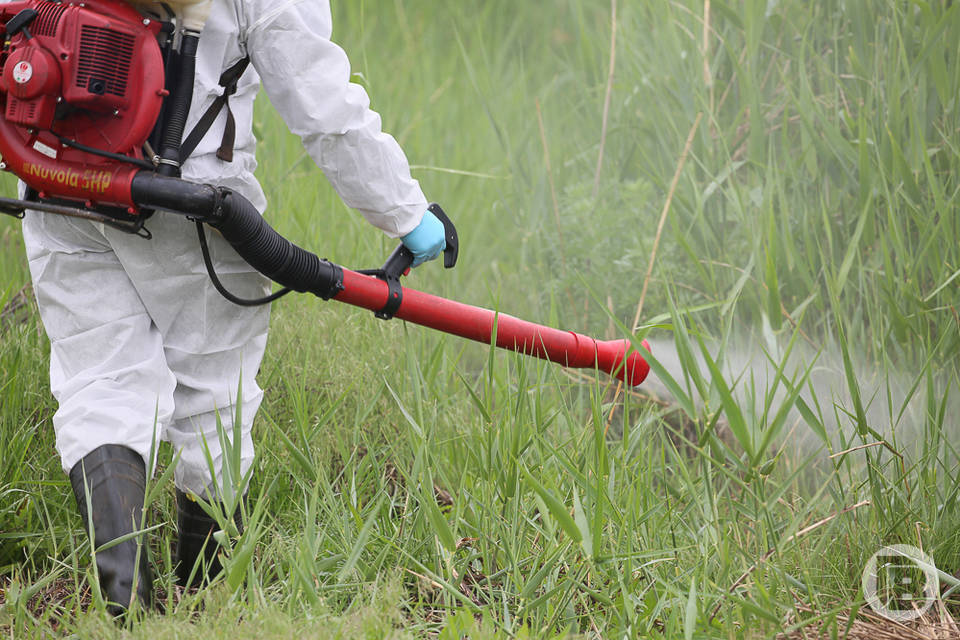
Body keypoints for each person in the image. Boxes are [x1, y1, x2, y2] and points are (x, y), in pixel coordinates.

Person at [20, 0, 445, 615]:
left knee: (100, 382)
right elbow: (322, 107)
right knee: (217, 393)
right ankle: (205, 603)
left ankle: (127, 607)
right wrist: (410, 216)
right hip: (188, 195)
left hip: (57, 180)